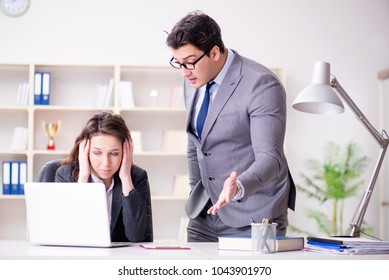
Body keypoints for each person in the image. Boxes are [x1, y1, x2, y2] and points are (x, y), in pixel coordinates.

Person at [166, 10, 296, 242]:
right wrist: (196, 192)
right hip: (204, 213)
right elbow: (196, 146)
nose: (185, 72)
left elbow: (270, 159)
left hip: (254, 215)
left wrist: (238, 188)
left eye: (189, 62)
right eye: (179, 63)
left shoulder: (260, 83)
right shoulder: (193, 82)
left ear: (214, 52)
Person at [55, 111, 152, 242]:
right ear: (86, 151)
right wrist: (83, 179)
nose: (106, 163)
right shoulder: (66, 176)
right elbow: (69, 233)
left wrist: (125, 178)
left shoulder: (136, 177)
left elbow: (136, 237)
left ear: (125, 152)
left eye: (114, 153)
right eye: (97, 153)